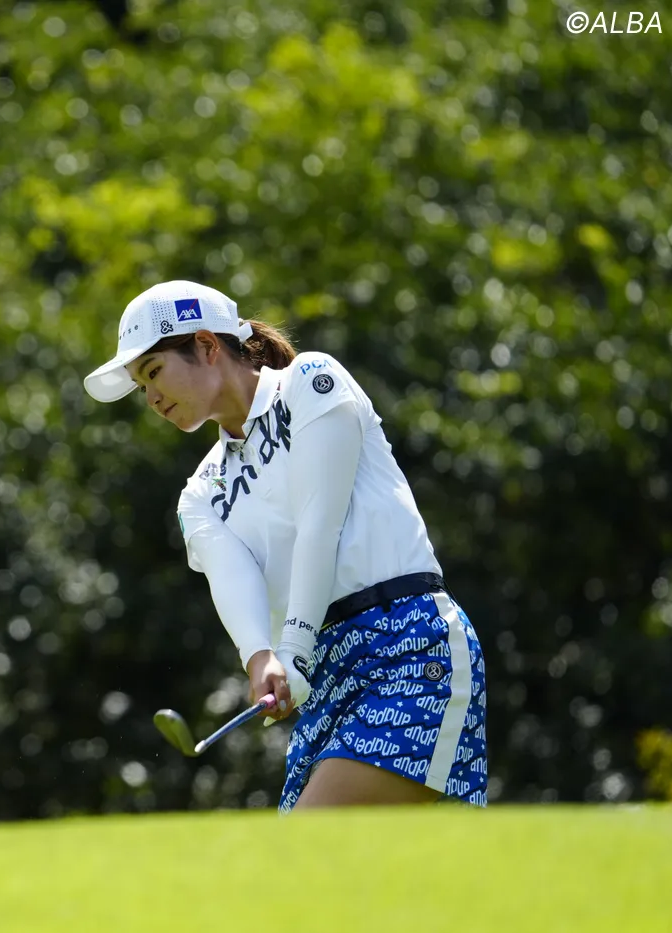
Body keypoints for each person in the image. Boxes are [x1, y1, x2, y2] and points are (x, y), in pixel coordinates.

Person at [82, 280, 487, 811]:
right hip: (323, 678)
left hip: (407, 645)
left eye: (154, 372)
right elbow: (234, 579)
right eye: (141, 387)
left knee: (308, 846)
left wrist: (291, 649)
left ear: (206, 345)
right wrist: (261, 659)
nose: (152, 398)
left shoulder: (311, 383)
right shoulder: (200, 494)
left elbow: (322, 523)